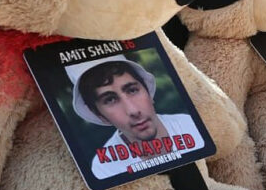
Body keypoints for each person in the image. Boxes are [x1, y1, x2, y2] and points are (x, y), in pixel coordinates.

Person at [72, 57, 200, 180]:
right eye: (110, 99)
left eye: (132, 90)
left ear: (148, 93)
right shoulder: (105, 167)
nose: (133, 110)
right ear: (100, 115)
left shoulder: (191, 126)